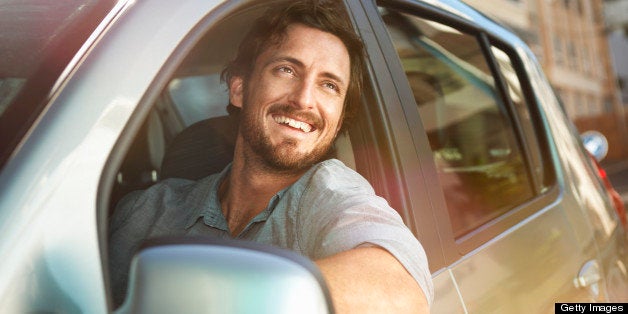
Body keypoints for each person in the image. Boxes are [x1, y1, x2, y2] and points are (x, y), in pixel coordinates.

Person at [108, 0, 433, 312]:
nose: (304, 99)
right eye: (286, 69)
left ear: (338, 123)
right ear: (239, 89)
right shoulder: (148, 211)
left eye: (329, 85)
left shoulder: (331, 196)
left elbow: (401, 293)